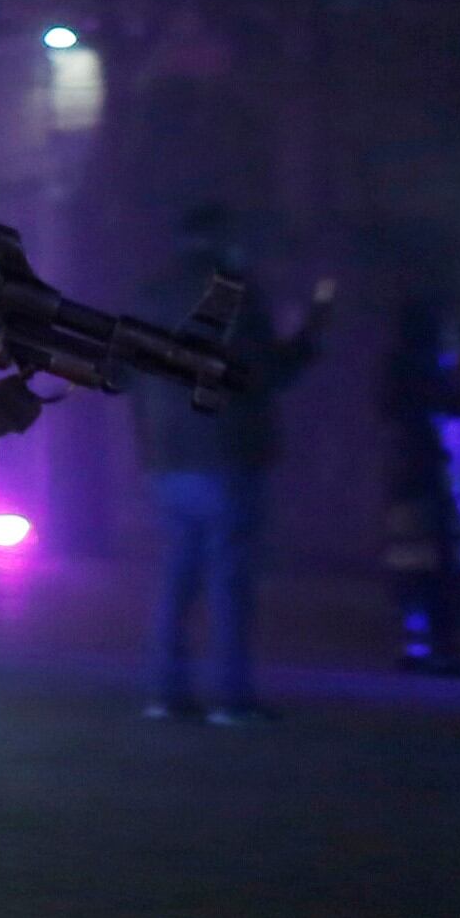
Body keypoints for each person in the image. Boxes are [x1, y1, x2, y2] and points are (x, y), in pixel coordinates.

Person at [129, 203, 332, 725]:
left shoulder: (152, 294)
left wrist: (150, 450)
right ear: (223, 238)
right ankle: (231, 696)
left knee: (176, 577)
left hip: (169, 458)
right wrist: (310, 335)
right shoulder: (234, 296)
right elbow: (262, 373)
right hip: (227, 451)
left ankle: (165, 693)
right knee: (229, 581)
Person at [374, 287, 460, 674]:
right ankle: (440, 649)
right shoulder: (428, 371)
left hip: (402, 481)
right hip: (425, 479)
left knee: (409, 565)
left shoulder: (395, 370)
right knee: (434, 565)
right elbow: (455, 406)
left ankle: (416, 645)